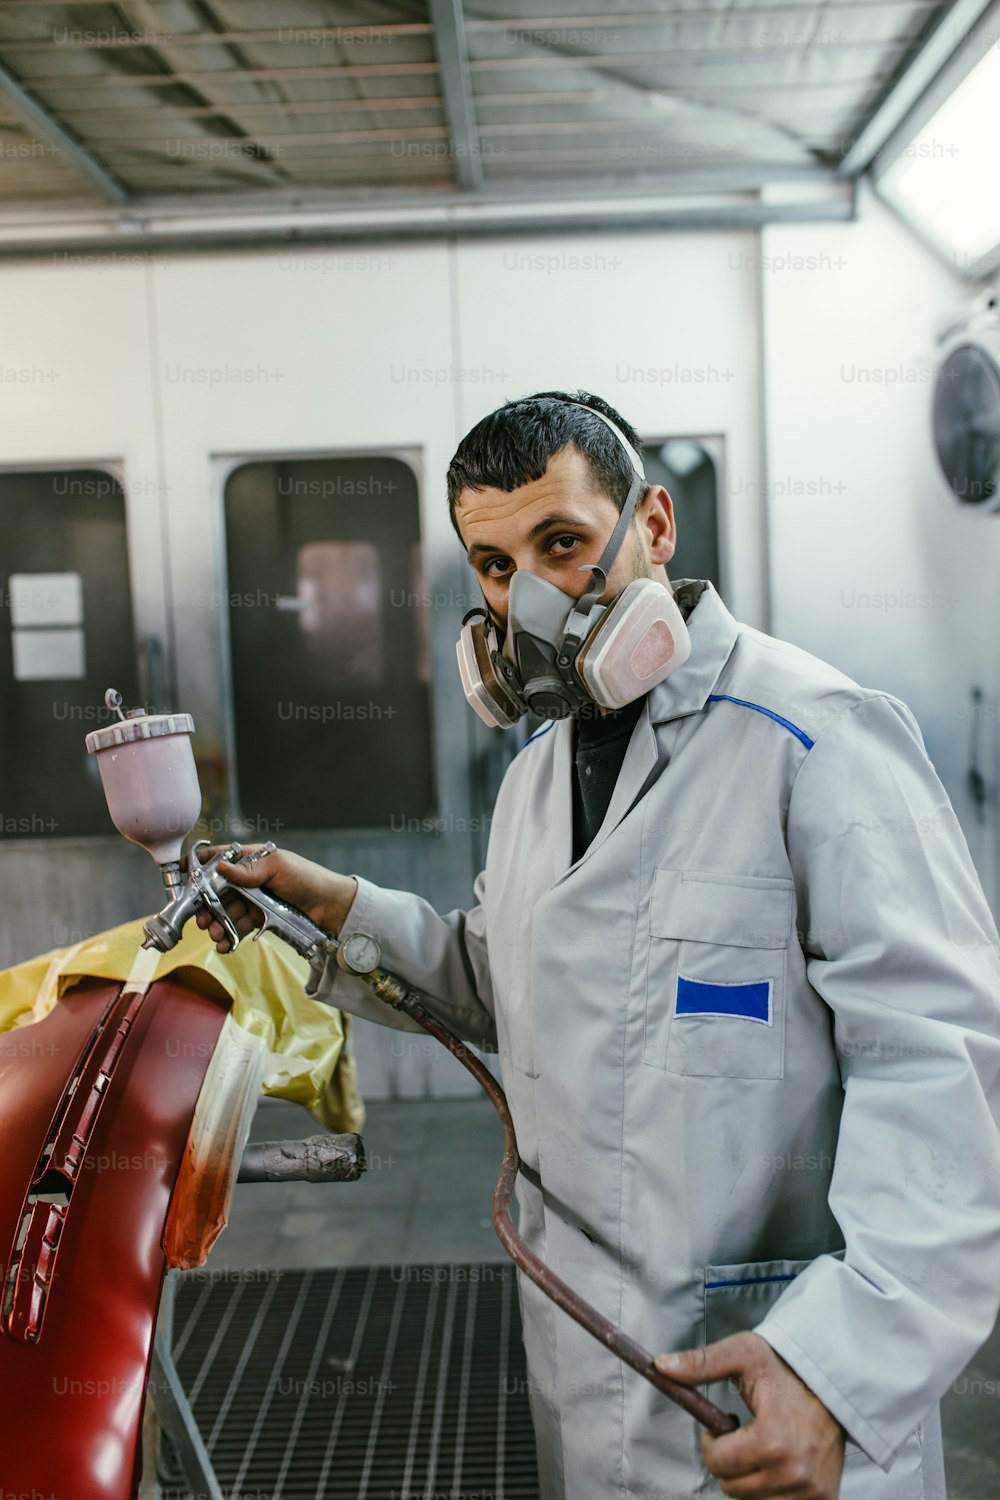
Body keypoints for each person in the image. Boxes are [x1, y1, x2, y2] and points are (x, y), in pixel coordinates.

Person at [199, 392, 1000, 1500]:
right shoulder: (537, 775)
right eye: (492, 564)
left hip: (770, 1375)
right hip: (582, 1370)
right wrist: (338, 907)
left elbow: (946, 1075)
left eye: (562, 544)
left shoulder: (818, 737)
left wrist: (839, 1367)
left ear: (654, 528)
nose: (525, 597)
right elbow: (512, 983)